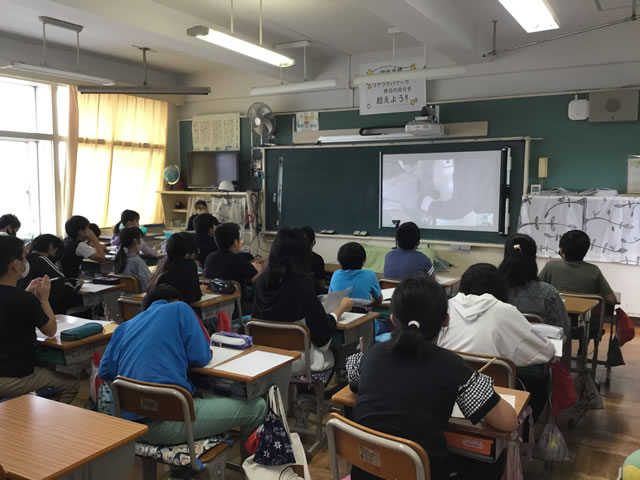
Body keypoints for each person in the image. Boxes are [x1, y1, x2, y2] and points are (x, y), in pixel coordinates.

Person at [346, 275, 517, 479]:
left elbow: (353, 383)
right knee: (488, 462)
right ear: (446, 321)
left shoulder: (371, 355)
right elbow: (508, 422)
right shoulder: (452, 366)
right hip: (424, 472)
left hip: (366, 470)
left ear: (392, 320)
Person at [98, 285, 266, 446]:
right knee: (257, 406)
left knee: (197, 395)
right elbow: (201, 356)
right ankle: (250, 469)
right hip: (167, 421)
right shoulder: (179, 308)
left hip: (130, 425)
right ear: (175, 300)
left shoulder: (124, 327)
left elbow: (105, 372)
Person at [253, 228, 353, 375]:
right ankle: (320, 394)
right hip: (296, 359)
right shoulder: (301, 284)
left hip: (264, 355)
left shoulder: (262, 281)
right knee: (338, 352)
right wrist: (339, 310)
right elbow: (322, 334)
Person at [0, 235, 79, 403]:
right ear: (15, 265)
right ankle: (43, 425)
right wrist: (43, 299)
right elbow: (50, 330)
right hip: (15, 377)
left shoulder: (23, 298)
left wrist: (28, 295)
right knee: (71, 384)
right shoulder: (24, 299)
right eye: (24, 256)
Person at [438, 263, 555, 366]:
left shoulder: (446, 306)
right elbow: (546, 351)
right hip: (491, 386)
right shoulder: (505, 311)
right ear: (500, 287)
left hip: (445, 383)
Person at [539, 229, 617, 345]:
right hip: (586, 329)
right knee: (589, 317)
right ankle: (584, 348)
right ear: (585, 251)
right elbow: (612, 300)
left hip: (553, 325)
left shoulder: (551, 266)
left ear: (561, 250)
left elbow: (537, 289)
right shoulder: (593, 270)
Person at [499, 233, 569, 336]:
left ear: (506, 255)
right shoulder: (548, 293)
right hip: (537, 349)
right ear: (533, 258)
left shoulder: (491, 289)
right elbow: (563, 330)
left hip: (498, 349)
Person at [19, 234, 83, 314]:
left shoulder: (26, 260)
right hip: (50, 309)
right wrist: (77, 284)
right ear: (51, 246)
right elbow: (62, 282)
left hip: (31, 306)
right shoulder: (42, 259)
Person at [204, 223, 261, 312]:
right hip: (236, 309)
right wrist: (260, 270)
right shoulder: (239, 259)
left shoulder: (209, 257)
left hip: (214, 308)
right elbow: (258, 281)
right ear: (235, 242)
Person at [147, 232, 203, 304]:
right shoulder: (189, 265)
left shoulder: (163, 263)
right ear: (187, 254)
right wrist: (200, 291)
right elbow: (193, 297)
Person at [301, 226, 326, 295]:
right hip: (314, 297)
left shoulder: (290, 258)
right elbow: (322, 284)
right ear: (314, 242)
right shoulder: (317, 259)